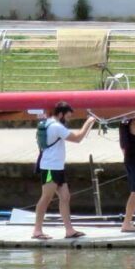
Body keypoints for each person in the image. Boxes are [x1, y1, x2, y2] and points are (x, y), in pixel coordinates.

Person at [31, 101, 97, 240]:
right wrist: (88, 122)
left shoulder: (49, 122)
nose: (68, 120)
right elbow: (77, 138)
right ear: (60, 114)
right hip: (50, 168)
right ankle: (37, 230)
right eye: (67, 117)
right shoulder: (56, 126)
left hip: (58, 167)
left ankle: (69, 230)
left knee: (65, 197)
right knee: (46, 197)